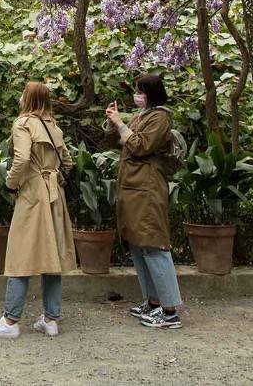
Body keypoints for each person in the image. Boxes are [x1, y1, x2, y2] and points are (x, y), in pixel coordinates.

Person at [0, 81, 77, 339]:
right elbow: (68, 161)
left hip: (33, 194)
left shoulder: (23, 124)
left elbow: (22, 159)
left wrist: (11, 185)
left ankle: (10, 321)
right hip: (55, 195)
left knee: (20, 255)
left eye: (23, 93)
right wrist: (55, 179)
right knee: (52, 257)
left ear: (28, 98)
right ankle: (51, 319)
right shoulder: (54, 127)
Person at [104, 72, 184, 329]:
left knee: (154, 245)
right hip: (133, 188)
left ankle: (170, 312)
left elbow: (140, 146)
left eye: (139, 91)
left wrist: (121, 123)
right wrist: (113, 122)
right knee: (138, 245)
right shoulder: (143, 115)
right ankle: (153, 302)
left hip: (148, 188)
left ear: (150, 93)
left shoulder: (160, 118)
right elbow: (122, 142)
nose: (135, 95)